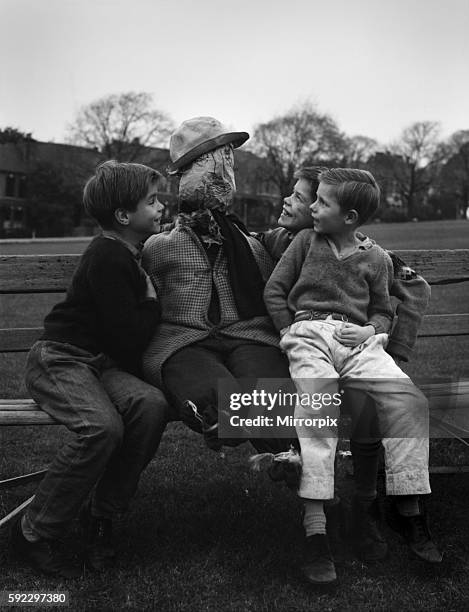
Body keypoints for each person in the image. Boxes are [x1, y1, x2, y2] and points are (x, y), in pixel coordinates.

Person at [264, 168, 442, 585]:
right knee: (318, 405)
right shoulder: (306, 242)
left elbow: (382, 308)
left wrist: (373, 330)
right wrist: (289, 330)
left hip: (359, 342)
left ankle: (408, 508)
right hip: (309, 335)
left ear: (351, 216)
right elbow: (275, 290)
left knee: (408, 400)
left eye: (322, 203)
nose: (312, 207)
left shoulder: (377, 258)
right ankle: (315, 530)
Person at [12, 160, 170, 578]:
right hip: (60, 359)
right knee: (101, 428)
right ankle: (34, 531)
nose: (160, 208)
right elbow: (128, 335)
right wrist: (152, 303)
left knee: (151, 405)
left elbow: (120, 342)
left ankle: (102, 515)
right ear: (123, 216)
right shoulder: (108, 256)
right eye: (152, 202)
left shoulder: (129, 252)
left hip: (99, 364)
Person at [142, 117, 295, 458]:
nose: (223, 169)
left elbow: (296, 245)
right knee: (216, 400)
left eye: (227, 159)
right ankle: (225, 423)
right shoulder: (160, 245)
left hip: (249, 335)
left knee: (272, 399)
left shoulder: (249, 242)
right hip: (184, 342)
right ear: (188, 171)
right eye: (212, 160)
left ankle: (308, 478)